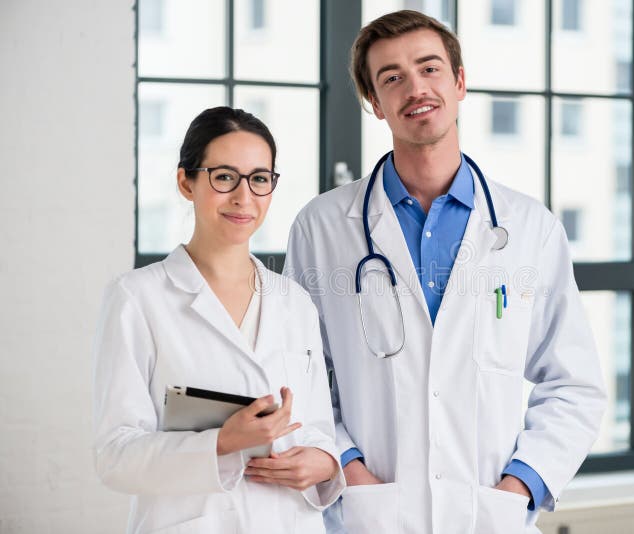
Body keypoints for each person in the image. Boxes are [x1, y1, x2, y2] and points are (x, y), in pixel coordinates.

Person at [283, 10, 606, 534]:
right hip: (370, 513)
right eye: (391, 77)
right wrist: (349, 469)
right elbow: (300, 375)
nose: (415, 88)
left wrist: (520, 485)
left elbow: (575, 385)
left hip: (488, 515)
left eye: (429, 68)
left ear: (459, 82)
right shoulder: (320, 227)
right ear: (374, 102)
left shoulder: (530, 229)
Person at [92, 106, 344, 534]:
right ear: (185, 182)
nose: (244, 197)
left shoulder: (294, 302)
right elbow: (114, 457)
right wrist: (222, 443)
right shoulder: (137, 299)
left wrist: (323, 462)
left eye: (259, 179)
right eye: (224, 177)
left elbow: (316, 429)